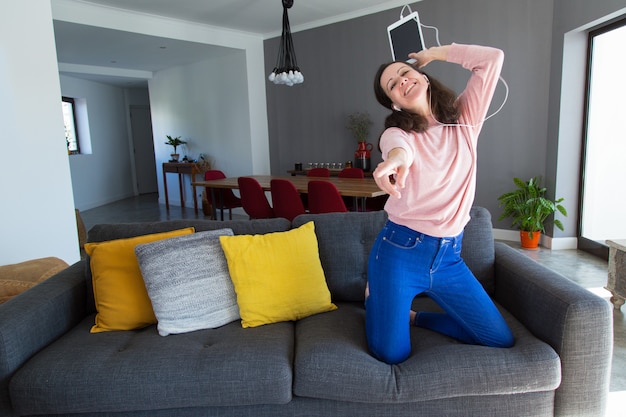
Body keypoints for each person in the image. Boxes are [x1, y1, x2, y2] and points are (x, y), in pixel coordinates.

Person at [366, 43, 514, 365]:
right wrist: (396, 161)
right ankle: (377, 296)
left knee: (498, 338)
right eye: (393, 84)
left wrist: (437, 52)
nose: (402, 81)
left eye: (404, 72)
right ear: (394, 102)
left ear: (423, 76)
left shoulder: (466, 119)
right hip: (399, 254)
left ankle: (414, 317)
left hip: (449, 258)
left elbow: (492, 60)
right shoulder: (397, 132)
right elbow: (397, 147)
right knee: (392, 354)